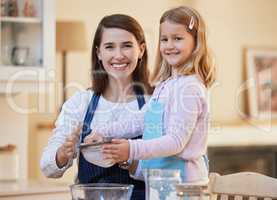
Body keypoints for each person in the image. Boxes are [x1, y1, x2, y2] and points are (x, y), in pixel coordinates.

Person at [85, 6, 216, 183]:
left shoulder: (190, 88)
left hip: (185, 185)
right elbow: (141, 119)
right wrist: (102, 132)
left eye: (177, 39)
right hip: (161, 181)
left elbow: (175, 142)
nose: (169, 46)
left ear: (196, 43)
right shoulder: (166, 85)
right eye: (164, 39)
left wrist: (130, 149)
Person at [40, 14, 153, 200]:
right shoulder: (81, 103)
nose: (118, 55)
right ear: (99, 53)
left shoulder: (155, 102)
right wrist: (63, 153)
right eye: (109, 47)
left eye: (127, 45)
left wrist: (128, 159)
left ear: (140, 50)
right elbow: (47, 167)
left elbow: (167, 170)